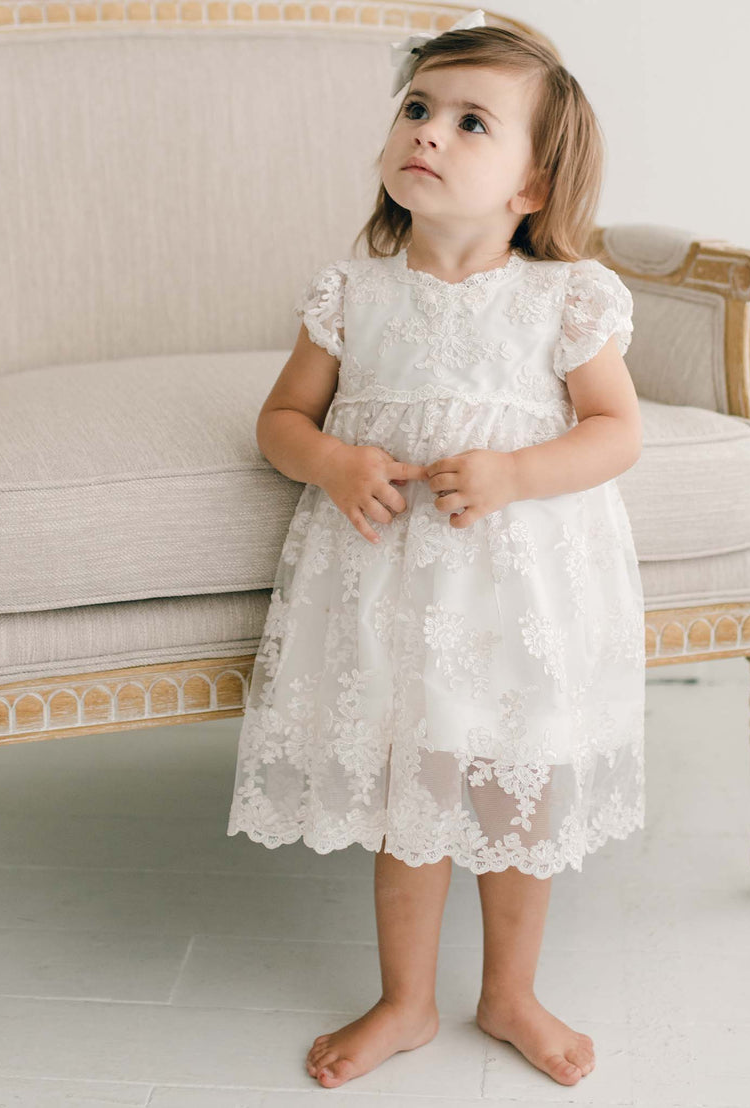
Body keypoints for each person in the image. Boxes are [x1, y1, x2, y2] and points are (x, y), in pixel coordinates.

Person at [226, 8, 647, 1092]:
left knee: (511, 792)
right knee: (410, 793)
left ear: (530, 188)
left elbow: (615, 431)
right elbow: (278, 422)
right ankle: (406, 999)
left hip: (516, 593)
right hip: (395, 591)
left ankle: (508, 991)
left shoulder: (565, 299)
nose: (430, 132)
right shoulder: (351, 294)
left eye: (471, 122)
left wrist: (513, 472)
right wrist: (330, 462)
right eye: (417, 108)